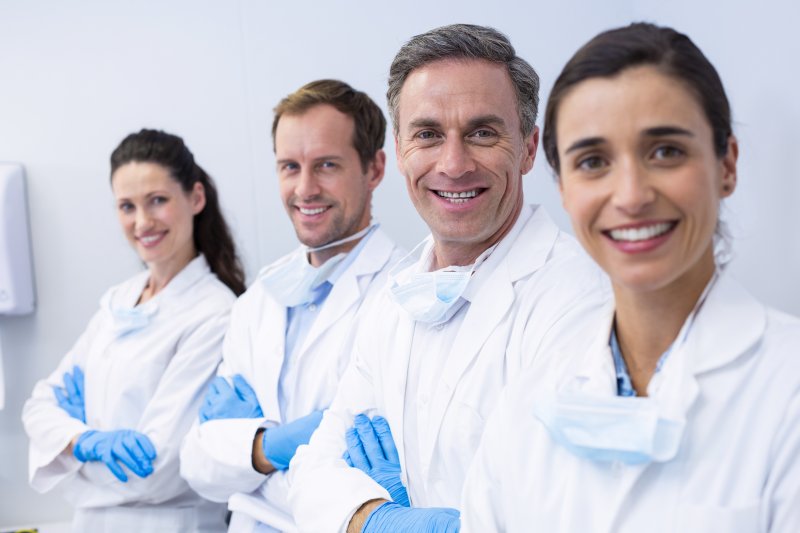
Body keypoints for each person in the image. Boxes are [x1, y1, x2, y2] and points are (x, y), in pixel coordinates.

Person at [460, 22, 800, 532]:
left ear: (726, 165)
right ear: (564, 189)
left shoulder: (786, 389)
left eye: (665, 151)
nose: (631, 195)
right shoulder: (527, 400)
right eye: (593, 161)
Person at [288, 24, 609, 532]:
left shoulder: (577, 301)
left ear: (528, 149)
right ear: (399, 151)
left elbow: (566, 512)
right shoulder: (395, 300)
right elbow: (310, 474)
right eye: (428, 134)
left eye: (483, 132)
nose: (454, 164)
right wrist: (375, 519)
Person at [179, 79, 403, 532]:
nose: (305, 188)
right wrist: (276, 445)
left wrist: (248, 453)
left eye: (326, 165)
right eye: (289, 166)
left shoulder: (402, 295)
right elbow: (198, 464)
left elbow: (358, 480)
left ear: (375, 168)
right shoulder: (261, 297)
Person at [22, 129, 245, 532]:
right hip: (89, 523)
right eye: (127, 206)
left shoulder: (215, 314)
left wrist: (69, 444)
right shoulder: (118, 302)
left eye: (157, 200)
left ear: (195, 197)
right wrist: (89, 442)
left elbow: (159, 471)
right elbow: (37, 407)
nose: (142, 222)